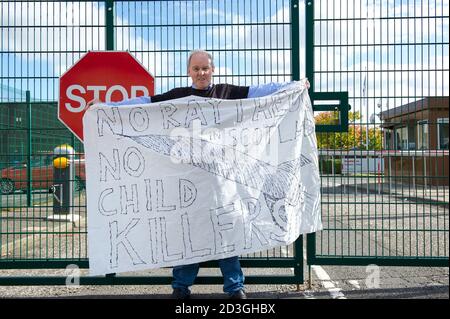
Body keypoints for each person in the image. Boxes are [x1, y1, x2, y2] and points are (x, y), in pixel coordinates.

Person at [88, 49, 309, 299]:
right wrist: (108, 106)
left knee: (227, 234)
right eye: (196, 69)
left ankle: (235, 288)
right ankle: (180, 288)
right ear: (189, 72)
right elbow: (145, 104)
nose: (201, 73)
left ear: (212, 69)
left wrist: (295, 86)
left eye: (205, 68)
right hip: (189, 186)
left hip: (223, 186)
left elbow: (262, 91)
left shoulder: (229, 94)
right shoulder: (178, 98)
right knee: (189, 236)